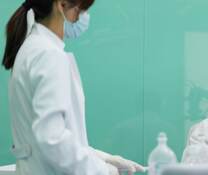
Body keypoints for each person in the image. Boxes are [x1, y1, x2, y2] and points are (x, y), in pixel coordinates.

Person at [2, 0, 144, 174]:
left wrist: (101, 157)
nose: (81, 17)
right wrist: (102, 170)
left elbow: (45, 138)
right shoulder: (48, 55)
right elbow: (52, 139)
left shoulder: (31, 49)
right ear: (61, 5)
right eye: (79, 10)